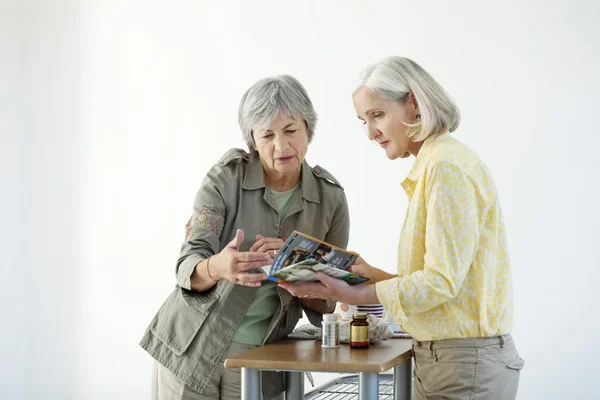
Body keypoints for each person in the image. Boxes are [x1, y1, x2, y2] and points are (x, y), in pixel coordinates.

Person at [279, 56, 524, 400]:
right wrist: (370, 274)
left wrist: (352, 295)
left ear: (412, 103)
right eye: (363, 120)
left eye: (377, 115)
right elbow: (444, 281)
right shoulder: (435, 164)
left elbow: (440, 283)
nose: (370, 132)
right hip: (448, 360)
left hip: (464, 364)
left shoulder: (446, 167)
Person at [140, 75, 349, 400]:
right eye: (267, 135)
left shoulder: (331, 199)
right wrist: (218, 267)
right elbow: (188, 264)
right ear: (252, 139)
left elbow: (330, 297)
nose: (281, 146)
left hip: (262, 356)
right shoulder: (226, 177)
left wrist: (294, 265)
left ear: (309, 127)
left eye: (291, 131)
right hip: (192, 348)